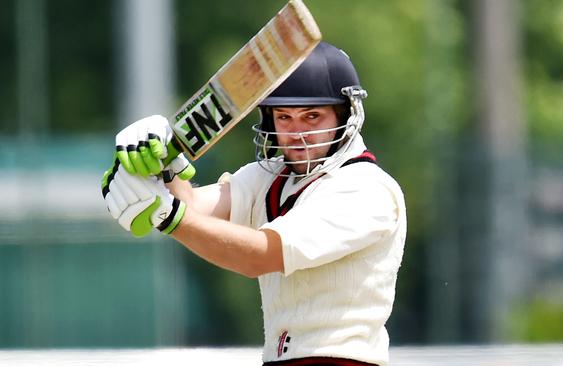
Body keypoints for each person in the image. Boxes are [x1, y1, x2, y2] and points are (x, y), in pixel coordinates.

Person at [101, 41, 406, 366]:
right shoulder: (270, 176)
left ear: (346, 114)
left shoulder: (366, 188)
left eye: (312, 116)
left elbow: (261, 255)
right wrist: (160, 166)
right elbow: (190, 206)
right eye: (284, 117)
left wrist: (164, 212)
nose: (297, 132)